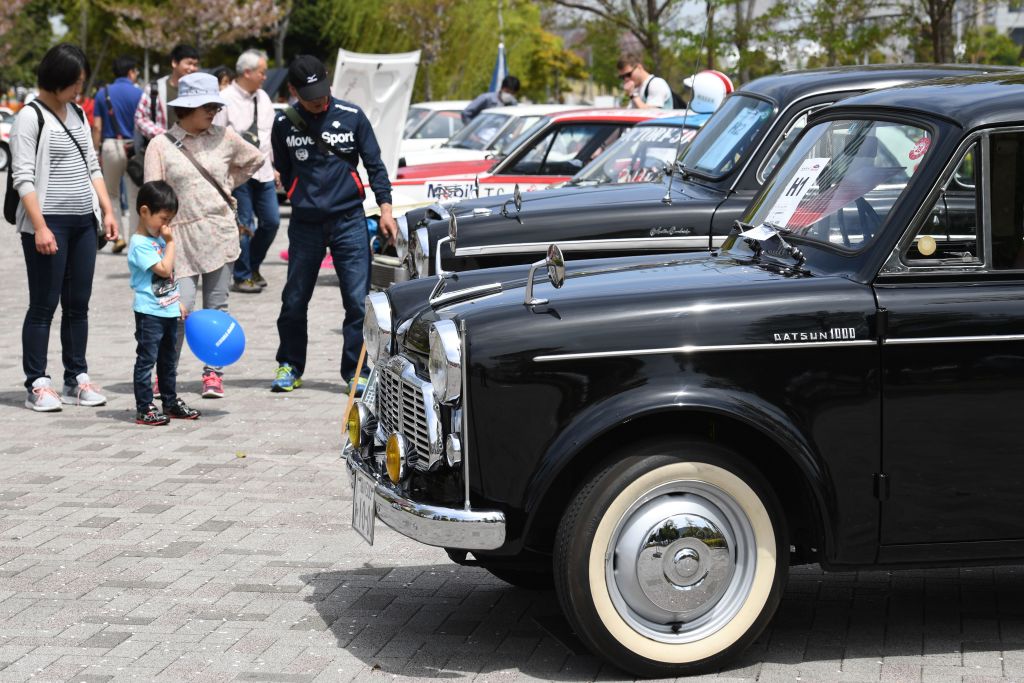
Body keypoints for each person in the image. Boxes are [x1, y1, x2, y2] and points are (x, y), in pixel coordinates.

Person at [269, 55, 397, 395]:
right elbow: (284, 169)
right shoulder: (283, 125)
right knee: (294, 299)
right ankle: (289, 364)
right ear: (293, 91)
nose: (319, 102)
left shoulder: (352, 117)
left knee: (357, 301)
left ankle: (357, 371)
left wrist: (385, 208)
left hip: (349, 221)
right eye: (310, 97)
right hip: (305, 225)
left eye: (323, 94)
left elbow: (375, 165)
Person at [9, 43, 119, 412]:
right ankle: (37, 383)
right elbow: (22, 177)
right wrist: (40, 227)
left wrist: (107, 210)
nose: (80, 91)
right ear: (55, 81)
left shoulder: (78, 114)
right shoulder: (30, 116)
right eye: (75, 84)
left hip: (83, 222)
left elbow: (93, 164)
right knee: (44, 304)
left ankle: (77, 378)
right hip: (48, 221)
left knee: (78, 305)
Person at [143, 71, 264, 399]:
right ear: (186, 108)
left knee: (217, 306)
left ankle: (213, 372)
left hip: (219, 233)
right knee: (177, 308)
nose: (213, 111)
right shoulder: (160, 145)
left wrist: (228, 185)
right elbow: (152, 196)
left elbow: (255, 160)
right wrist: (154, 240)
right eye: (206, 106)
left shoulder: (225, 137)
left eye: (215, 105)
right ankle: (165, 372)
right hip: (177, 238)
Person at [128, 180, 201, 425]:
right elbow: (162, 269)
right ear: (145, 211)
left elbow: (170, 277)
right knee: (147, 359)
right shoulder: (140, 244)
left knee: (168, 360)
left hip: (167, 309)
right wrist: (170, 243)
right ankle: (144, 406)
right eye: (164, 218)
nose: (166, 225)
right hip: (149, 312)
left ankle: (169, 401)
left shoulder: (158, 239)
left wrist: (176, 300)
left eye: (170, 220)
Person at [213, 49, 280, 294]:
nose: (265, 77)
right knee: (244, 225)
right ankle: (242, 275)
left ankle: (253, 265)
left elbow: (268, 136)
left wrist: (274, 166)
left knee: (272, 222)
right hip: (237, 174)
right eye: (261, 72)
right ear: (247, 72)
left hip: (263, 172)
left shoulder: (263, 97)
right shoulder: (225, 98)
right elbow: (217, 137)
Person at [92, 55, 143, 253]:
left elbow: (97, 127)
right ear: (130, 72)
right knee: (134, 195)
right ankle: (135, 240)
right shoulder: (139, 93)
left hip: (111, 146)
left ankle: (117, 236)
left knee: (111, 193)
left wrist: (96, 151)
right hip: (133, 148)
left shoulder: (102, 93)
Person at [134, 44, 200, 146]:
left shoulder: (200, 90)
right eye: (189, 63)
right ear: (174, 63)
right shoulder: (155, 88)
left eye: (195, 65)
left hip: (193, 149)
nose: (192, 68)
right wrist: (164, 137)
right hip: (162, 149)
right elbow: (140, 118)